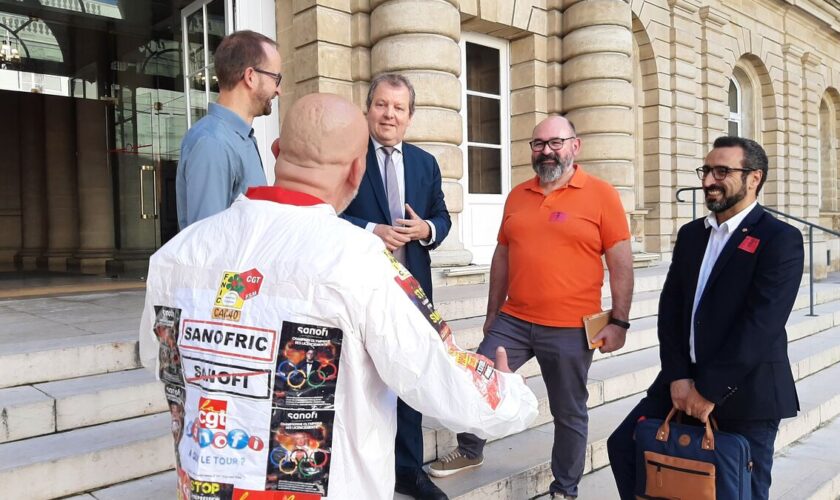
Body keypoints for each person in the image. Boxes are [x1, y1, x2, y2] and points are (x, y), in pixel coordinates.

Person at [139, 93, 538, 500]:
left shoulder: (176, 254)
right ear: (357, 170)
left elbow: (158, 362)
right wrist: (507, 394)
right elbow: (437, 378)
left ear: (277, 152)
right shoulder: (363, 261)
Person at [429, 116, 634, 499]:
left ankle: (565, 489)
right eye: (538, 144)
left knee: (569, 411)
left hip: (572, 327)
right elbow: (503, 255)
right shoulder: (518, 194)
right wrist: (493, 313)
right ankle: (470, 450)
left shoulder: (601, 194)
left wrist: (619, 320)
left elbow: (621, 261)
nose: (546, 151)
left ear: (575, 145)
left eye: (555, 143)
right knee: (476, 381)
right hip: (515, 319)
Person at [606, 136, 804, 500]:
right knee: (624, 447)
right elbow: (672, 308)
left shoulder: (780, 239)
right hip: (681, 382)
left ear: (754, 178)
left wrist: (709, 390)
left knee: (742, 490)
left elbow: (761, 325)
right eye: (706, 170)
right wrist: (679, 377)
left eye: (722, 171)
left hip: (747, 392)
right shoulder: (692, 234)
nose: (709, 180)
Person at [341, 73, 451, 499]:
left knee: (410, 378)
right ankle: (362, 470)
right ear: (368, 108)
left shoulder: (426, 163)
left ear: (410, 116)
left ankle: (408, 470)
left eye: (398, 107)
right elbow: (324, 213)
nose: (389, 114)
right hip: (360, 291)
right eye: (381, 105)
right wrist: (370, 229)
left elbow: (442, 216)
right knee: (361, 382)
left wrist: (427, 228)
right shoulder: (347, 156)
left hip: (411, 295)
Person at [175, 30, 282, 229]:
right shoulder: (213, 143)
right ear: (250, 76)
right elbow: (207, 245)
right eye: (276, 78)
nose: (279, 90)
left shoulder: (239, 138)